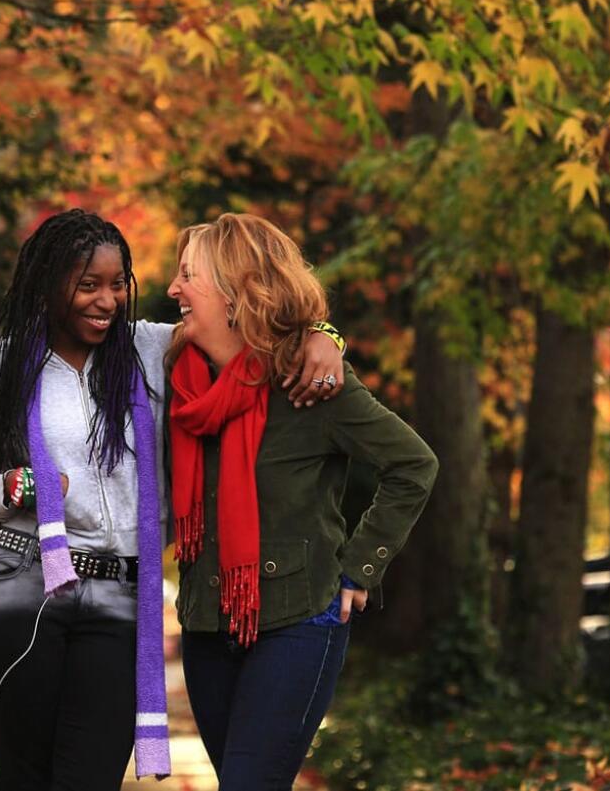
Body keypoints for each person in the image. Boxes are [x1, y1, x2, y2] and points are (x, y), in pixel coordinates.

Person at [0, 209, 347, 791]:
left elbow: (251, 328)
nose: (106, 301)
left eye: (116, 285)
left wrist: (323, 336)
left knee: (91, 776)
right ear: (48, 282)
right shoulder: (1, 366)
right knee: (26, 778)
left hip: (118, 597)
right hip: (20, 588)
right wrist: (11, 488)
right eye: (88, 285)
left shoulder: (151, 351)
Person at [165, 212, 439, 791]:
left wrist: (360, 567)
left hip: (298, 619)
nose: (173, 289)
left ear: (236, 293)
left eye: (188, 275)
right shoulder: (176, 374)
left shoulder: (310, 382)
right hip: (207, 624)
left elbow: (413, 465)